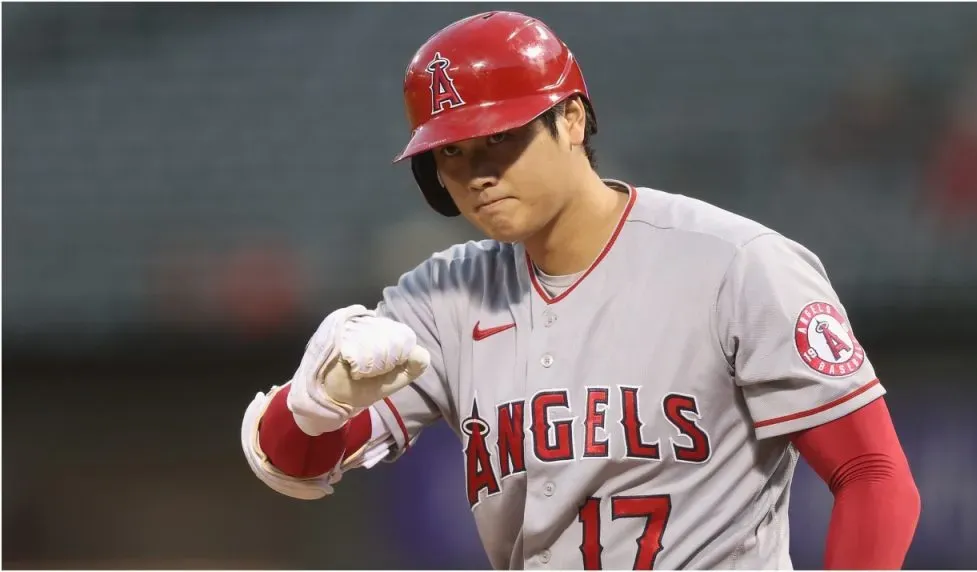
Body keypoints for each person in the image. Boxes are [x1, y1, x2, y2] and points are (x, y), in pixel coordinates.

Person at [241, 11, 920, 569]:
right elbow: (294, 466)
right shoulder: (444, 298)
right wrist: (316, 405)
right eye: (451, 151)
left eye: (498, 138)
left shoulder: (736, 265)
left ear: (571, 121)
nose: (476, 172)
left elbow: (871, 472)